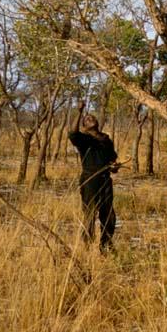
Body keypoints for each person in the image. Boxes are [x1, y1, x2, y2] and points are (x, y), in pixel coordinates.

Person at [68, 103, 119, 252]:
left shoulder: (106, 140)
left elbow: (112, 161)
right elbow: (72, 133)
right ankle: (87, 247)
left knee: (108, 215)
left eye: (92, 117)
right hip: (90, 179)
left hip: (105, 180)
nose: (90, 118)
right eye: (87, 119)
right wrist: (79, 111)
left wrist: (114, 167)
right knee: (89, 213)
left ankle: (106, 245)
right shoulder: (84, 140)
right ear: (84, 126)